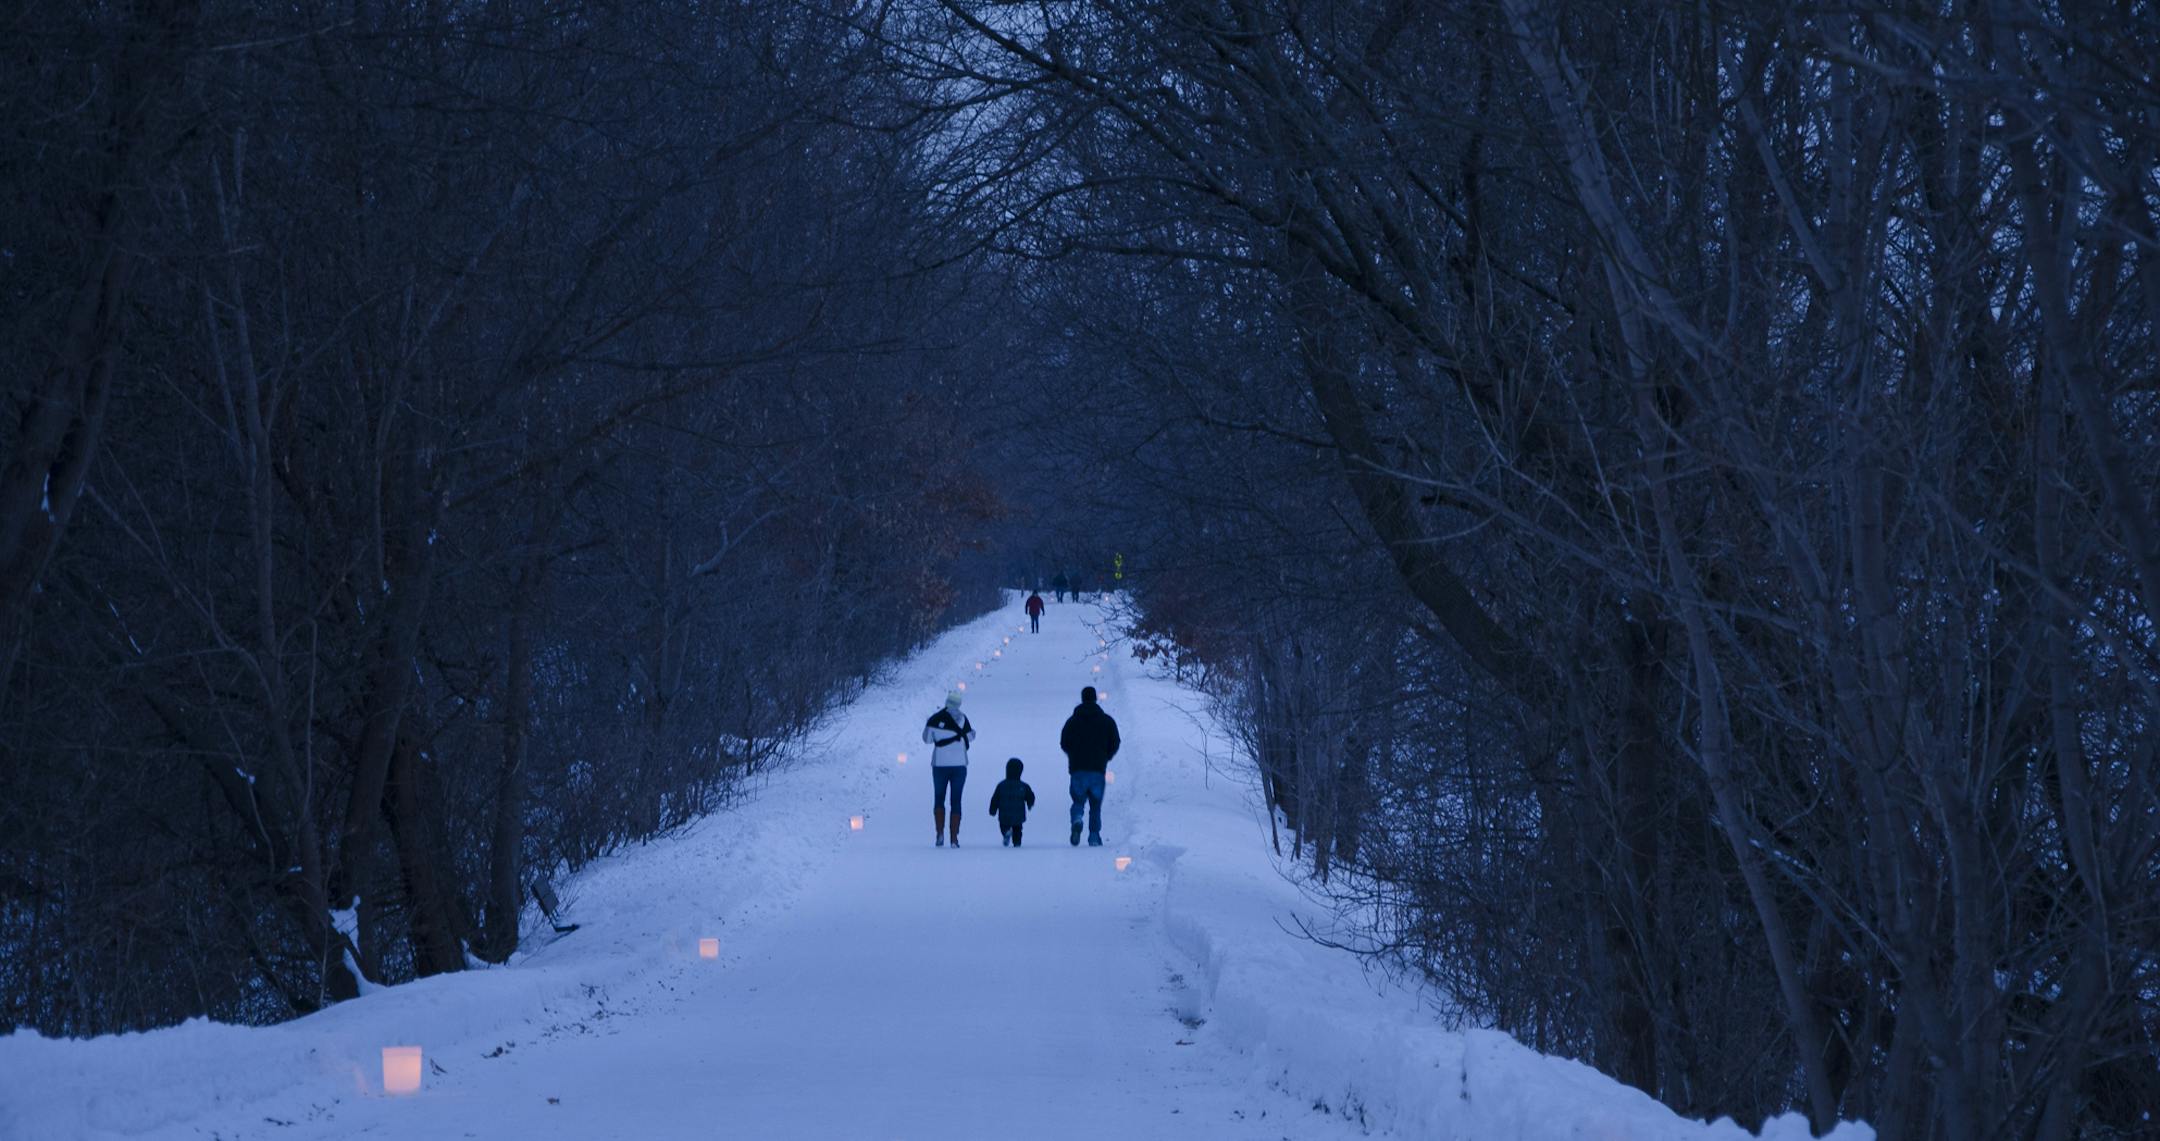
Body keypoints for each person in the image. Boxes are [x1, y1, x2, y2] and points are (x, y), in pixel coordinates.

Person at [1059, 686, 1120, 846]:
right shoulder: (1107, 721)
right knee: (1095, 805)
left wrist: (1073, 755)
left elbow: (1064, 742)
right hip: (1098, 769)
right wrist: (1107, 756)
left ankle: (1077, 818)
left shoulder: (1072, 721)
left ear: (1082, 698)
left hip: (1078, 769)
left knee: (1078, 801)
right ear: (1095, 698)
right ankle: (1094, 836)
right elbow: (1115, 742)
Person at [922, 690, 975, 847]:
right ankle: (954, 838)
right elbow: (970, 737)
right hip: (959, 765)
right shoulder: (963, 719)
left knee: (939, 798)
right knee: (956, 800)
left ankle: (939, 833)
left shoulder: (935, 719)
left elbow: (926, 739)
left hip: (939, 764)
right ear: (959, 704)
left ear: (946, 702)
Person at [987, 758, 1037, 847]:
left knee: (1004, 826)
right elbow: (1030, 796)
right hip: (1018, 813)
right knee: (1018, 828)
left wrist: (992, 810)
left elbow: (995, 799)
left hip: (1004, 814)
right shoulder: (1023, 786)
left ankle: (1006, 832)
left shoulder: (1001, 785)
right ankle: (1017, 842)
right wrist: (1030, 804)